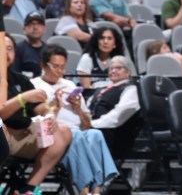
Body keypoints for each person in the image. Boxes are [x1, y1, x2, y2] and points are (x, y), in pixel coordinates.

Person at [31, 44, 119, 195]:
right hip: (55, 135)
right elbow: (36, 121)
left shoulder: (69, 85)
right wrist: (56, 107)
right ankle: (84, 191)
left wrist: (78, 109)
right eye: (55, 66)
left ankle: (96, 191)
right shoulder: (34, 85)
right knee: (75, 135)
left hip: (77, 131)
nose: (59, 71)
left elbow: (87, 124)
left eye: (63, 67)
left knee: (95, 134)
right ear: (43, 65)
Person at [0, 34, 72, 193]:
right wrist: (22, 98)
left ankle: (29, 188)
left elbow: (38, 105)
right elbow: (2, 113)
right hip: (3, 134)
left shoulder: (20, 79)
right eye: (2, 48)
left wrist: (49, 112)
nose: (6, 53)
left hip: (23, 135)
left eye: (10, 48)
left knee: (63, 132)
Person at [77, 25, 127, 89]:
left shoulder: (119, 61)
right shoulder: (87, 58)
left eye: (109, 38)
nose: (105, 42)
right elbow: (86, 87)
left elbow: (122, 84)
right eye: (102, 38)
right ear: (96, 42)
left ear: (115, 44)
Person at [12, 10, 47, 78]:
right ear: (24, 29)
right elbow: (15, 75)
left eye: (39, 24)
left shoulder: (49, 50)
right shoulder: (18, 49)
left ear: (44, 28)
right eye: (31, 24)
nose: (35, 27)